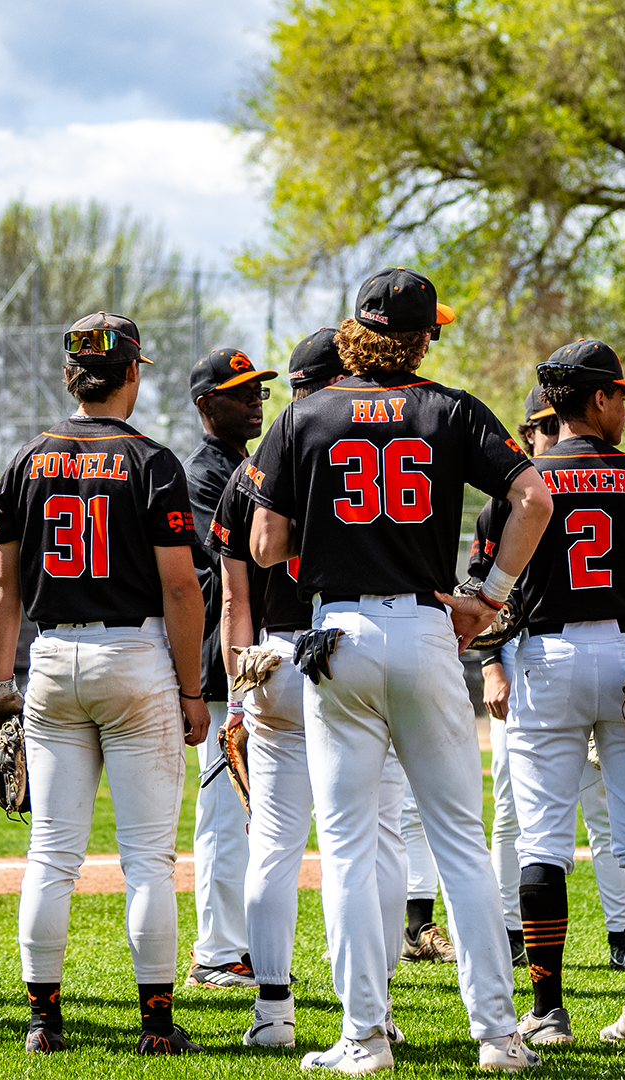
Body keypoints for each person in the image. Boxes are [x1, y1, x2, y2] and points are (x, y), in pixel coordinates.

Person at [245, 267, 550, 1073]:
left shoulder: (303, 414)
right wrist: (489, 595)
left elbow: (265, 547)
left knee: (348, 847)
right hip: (425, 627)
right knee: (459, 841)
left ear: (353, 330)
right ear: (422, 339)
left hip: (338, 634)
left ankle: (364, 1038)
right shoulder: (450, 408)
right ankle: (499, 1036)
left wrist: (326, 525)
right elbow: (535, 499)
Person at [0, 311, 209, 1055]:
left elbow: (4, 588)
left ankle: (43, 1022)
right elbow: (181, 588)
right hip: (134, 654)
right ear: (133, 373)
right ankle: (156, 1026)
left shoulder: (24, 460)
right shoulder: (153, 461)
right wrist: (191, 690)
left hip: (51, 658)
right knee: (147, 859)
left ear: (69, 376)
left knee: (52, 854)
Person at [219, 327, 396, 1049]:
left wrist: (237, 694)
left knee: (273, 843)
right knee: (377, 840)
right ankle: (379, 1010)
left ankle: (272, 1013)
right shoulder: (365, 445)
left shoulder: (249, 471)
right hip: (352, 652)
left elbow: (234, 601)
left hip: (271, 660)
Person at [508, 339, 625, 1047]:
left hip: (546, 657)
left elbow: (502, 585)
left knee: (543, 840)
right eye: (619, 396)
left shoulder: (526, 480)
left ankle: (548, 1010)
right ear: (598, 398)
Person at [471, 386, 625, 974]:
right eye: (538, 426)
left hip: (559, 656)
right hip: (527, 654)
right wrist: (492, 665)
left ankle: (621, 933)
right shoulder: (511, 497)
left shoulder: (579, 488)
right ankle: (510, 928)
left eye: (551, 423)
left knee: (601, 810)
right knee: (513, 809)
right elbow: (483, 595)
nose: (547, 434)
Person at [184, 345, 275, 991]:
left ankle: (236, 946)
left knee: (250, 813)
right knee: (224, 811)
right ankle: (217, 953)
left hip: (247, 656)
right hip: (222, 664)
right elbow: (220, 577)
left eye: (257, 389)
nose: (253, 400)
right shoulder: (204, 475)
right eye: (239, 390)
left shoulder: (244, 468)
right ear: (205, 404)